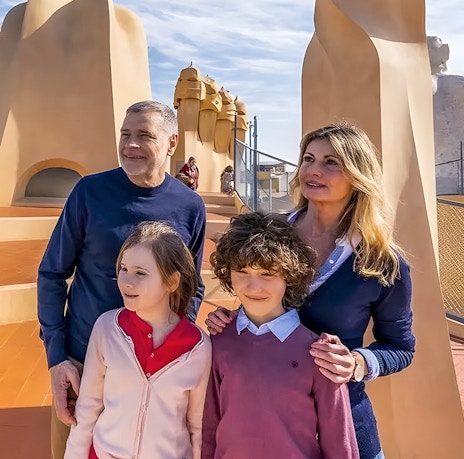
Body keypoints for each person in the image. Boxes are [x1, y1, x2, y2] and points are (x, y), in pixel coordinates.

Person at [205, 123, 415, 459]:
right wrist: (233, 318)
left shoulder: (382, 262)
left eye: (332, 162)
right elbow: (257, 297)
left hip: (348, 431)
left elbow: (401, 348)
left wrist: (357, 362)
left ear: (358, 175)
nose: (314, 171)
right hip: (272, 433)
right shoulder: (268, 232)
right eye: (308, 159)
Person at [37, 100, 207, 459]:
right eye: (125, 134)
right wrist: (57, 357)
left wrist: (175, 342)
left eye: (144, 135)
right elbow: (52, 272)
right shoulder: (88, 192)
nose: (130, 144)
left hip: (155, 371)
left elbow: (191, 286)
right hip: (81, 362)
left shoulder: (190, 206)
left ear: (171, 143)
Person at [202, 211, 359, 459]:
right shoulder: (218, 342)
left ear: (290, 274)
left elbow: (340, 444)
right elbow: (208, 428)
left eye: (267, 273)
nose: (253, 287)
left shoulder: (319, 353)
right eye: (242, 271)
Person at [64, 221, 212, 459]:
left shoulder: (199, 347)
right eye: (123, 269)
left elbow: (197, 426)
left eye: (140, 273)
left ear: (172, 282)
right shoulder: (106, 328)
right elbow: (88, 408)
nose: (126, 281)